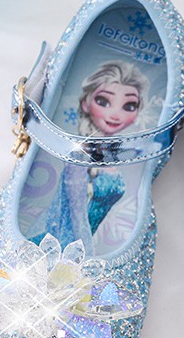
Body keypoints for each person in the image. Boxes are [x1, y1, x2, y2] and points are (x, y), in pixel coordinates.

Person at [37, 61, 148, 250]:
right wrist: (86, 253)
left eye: (129, 106)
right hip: (61, 246)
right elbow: (77, 215)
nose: (115, 115)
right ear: (85, 104)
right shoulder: (80, 156)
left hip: (82, 244)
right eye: (103, 101)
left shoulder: (112, 155)